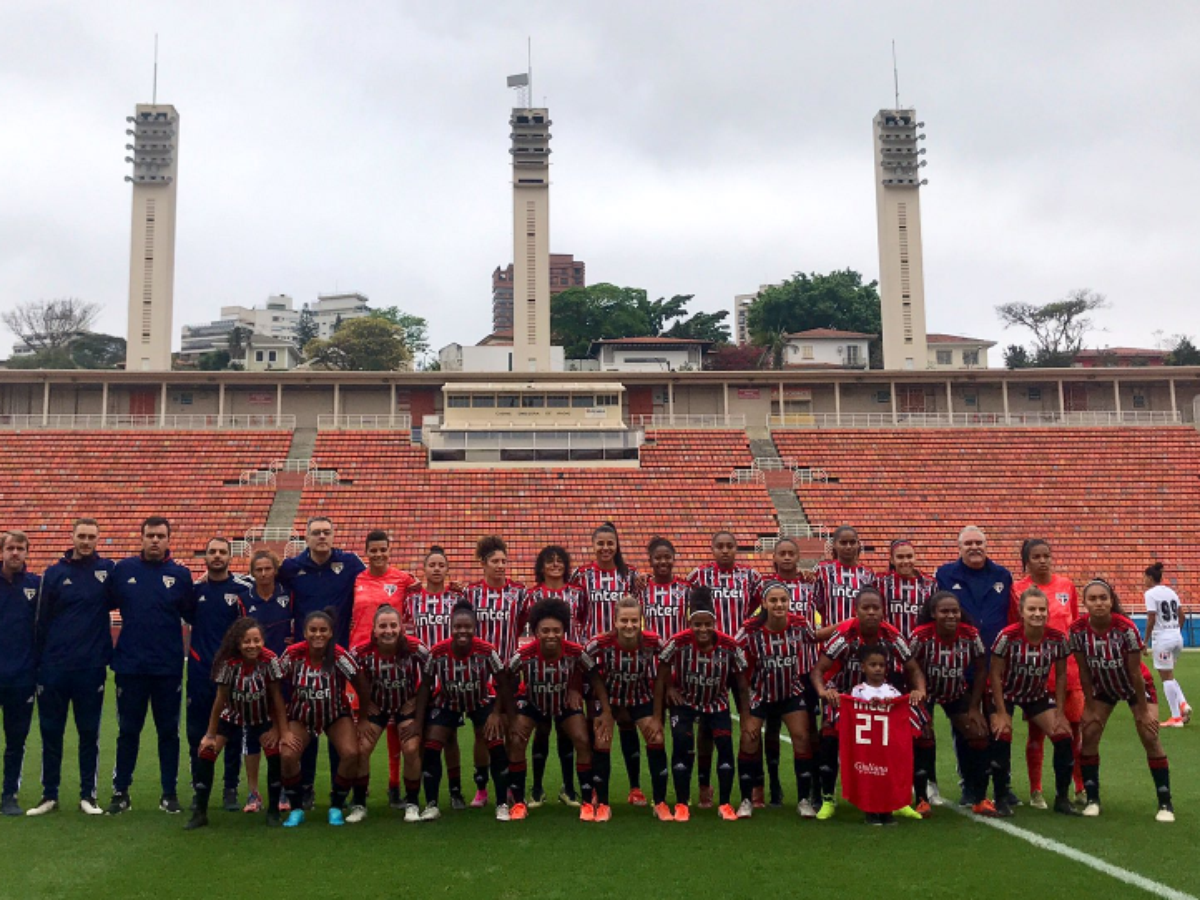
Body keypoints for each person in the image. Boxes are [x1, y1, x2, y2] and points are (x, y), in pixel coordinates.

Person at [810, 585, 926, 820]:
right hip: (845, 697)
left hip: (881, 697)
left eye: (876, 608)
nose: (871, 612)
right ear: (856, 611)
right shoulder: (844, 636)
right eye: (866, 608)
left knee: (919, 726)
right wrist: (824, 691)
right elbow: (818, 671)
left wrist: (919, 691)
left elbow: (914, 669)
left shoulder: (892, 636)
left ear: (883, 611)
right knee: (830, 733)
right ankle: (828, 798)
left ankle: (907, 797)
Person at [107, 516, 196, 815]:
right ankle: (121, 792)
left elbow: (193, 614)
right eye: (150, 535)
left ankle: (169, 793)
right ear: (142, 538)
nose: (155, 540)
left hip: (167, 667)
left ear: (169, 539)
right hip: (130, 666)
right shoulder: (124, 570)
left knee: (168, 732)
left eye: (160, 536)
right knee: (128, 731)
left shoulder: (180, 575)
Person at [277, 517, 365, 810]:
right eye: (316, 533)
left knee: (336, 718)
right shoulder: (292, 567)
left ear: (333, 535)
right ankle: (305, 789)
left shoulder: (349, 563)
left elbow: (374, 581)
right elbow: (269, 584)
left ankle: (340, 794)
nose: (322, 537)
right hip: (304, 656)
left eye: (327, 532)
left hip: (337, 655)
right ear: (306, 538)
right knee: (306, 719)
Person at [1070, 578, 1174, 822]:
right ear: (1085, 603)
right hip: (1103, 686)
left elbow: (1135, 673)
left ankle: (1165, 803)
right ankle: (1093, 799)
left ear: (1111, 601)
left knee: (1149, 734)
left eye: (1103, 598)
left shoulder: (1125, 628)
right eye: (1092, 599)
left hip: (1134, 685)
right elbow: (1084, 671)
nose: (1098, 603)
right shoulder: (1077, 630)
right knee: (1090, 733)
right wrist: (1090, 706)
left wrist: (1144, 712)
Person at [29, 519, 113, 817]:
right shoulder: (54, 573)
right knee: (51, 732)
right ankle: (49, 795)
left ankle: (88, 795)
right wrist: (41, 661)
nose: (86, 541)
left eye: (91, 536)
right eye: (82, 536)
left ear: (97, 539)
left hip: (91, 667)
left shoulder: (108, 571)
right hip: (54, 667)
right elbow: (40, 620)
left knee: (88, 733)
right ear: (72, 537)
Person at [504, 597, 613, 822]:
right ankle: (519, 802)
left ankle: (586, 801)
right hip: (533, 702)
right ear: (536, 632)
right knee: (516, 740)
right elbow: (506, 681)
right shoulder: (523, 654)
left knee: (582, 739)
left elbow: (595, 677)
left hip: (563, 702)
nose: (551, 635)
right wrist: (509, 716)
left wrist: (606, 710)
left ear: (564, 631)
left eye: (557, 630)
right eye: (545, 630)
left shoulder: (575, 652)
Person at [655, 587, 752, 822]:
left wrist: (746, 718)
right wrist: (669, 691)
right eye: (697, 624)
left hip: (716, 702)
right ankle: (682, 803)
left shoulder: (730, 645)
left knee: (725, 746)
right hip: (685, 701)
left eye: (707, 624)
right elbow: (662, 669)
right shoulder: (678, 642)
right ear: (690, 624)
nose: (702, 629)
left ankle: (725, 803)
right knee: (682, 743)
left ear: (714, 623)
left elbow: (741, 683)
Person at [186, 617, 293, 830]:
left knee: (274, 753)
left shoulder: (270, 660)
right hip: (232, 715)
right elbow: (220, 699)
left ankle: (273, 811)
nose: (252, 645)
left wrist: (280, 730)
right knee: (206, 752)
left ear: (263, 641)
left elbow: (276, 697)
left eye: (256, 640)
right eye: (247, 641)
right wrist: (210, 734)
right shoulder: (228, 663)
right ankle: (200, 813)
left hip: (261, 716)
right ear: (238, 643)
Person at [935, 525, 1013, 806]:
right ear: (959, 548)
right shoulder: (945, 575)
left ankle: (1003, 784)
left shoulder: (1002, 575)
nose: (974, 547)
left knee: (1000, 725)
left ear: (986, 545)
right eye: (968, 543)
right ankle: (969, 784)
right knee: (967, 727)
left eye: (978, 542)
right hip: (962, 664)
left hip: (997, 664)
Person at [416, 601, 511, 821]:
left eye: (467, 627)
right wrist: (418, 722)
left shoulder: (487, 650)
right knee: (431, 746)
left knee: (496, 743)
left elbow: (503, 682)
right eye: (457, 627)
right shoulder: (437, 652)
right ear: (451, 628)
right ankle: (432, 804)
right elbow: (426, 685)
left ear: (474, 628)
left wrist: (496, 713)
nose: (462, 631)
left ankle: (502, 804)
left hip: (480, 700)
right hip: (448, 701)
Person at [988, 587, 1079, 818]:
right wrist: (1001, 712)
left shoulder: (1057, 638)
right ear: (1021, 612)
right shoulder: (1007, 636)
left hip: (1036, 694)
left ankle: (1062, 798)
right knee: (1002, 733)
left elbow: (1061, 675)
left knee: (1063, 735)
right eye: (1032, 609)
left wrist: (1059, 712)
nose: (1037, 614)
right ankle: (1000, 797)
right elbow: (995, 674)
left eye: (1041, 609)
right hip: (1006, 693)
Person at [687, 531, 761, 808]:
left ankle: (755, 785)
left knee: (751, 719)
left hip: (739, 655)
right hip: (709, 657)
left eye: (730, 546)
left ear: (736, 548)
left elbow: (761, 603)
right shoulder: (699, 575)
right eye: (720, 546)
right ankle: (704, 785)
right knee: (707, 725)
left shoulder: (750, 576)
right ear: (712, 548)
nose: (725, 550)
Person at [278, 609, 370, 827]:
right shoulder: (292, 654)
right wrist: (281, 728)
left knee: (351, 753)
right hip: (301, 716)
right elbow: (274, 686)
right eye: (313, 630)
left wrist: (363, 719)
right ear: (304, 633)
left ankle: (336, 804)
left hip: (335, 715)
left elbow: (361, 684)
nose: (318, 634)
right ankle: (297, 807)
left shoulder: (339, 656)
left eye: (323, 630)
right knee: (288, 755)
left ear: (330, 633)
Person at [735, 581, 819, 819]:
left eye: (783, 600)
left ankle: (803, 800)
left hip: (790, 693)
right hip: (760, 695)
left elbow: (815, 637)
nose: (779, 604)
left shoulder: (799, 624)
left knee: (802, 738)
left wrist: (848, 624)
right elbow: (731, 647)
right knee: (749, 740)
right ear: (764, 603)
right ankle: (746, 800)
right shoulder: (751, 629)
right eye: (773, 600)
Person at [1011, 539, 1083, 807]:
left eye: (1046, 556)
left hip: (1069, 672)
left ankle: (1079, 787)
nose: (1043, 561)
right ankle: (1036, 790)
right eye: (1036, 557)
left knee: (1074, 731)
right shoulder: (1018, 589)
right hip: (1037, 673)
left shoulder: (1066, 586)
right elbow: (1015, 628)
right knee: (1037, 734)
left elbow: (1073, 624)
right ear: (1026, 562)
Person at [350, 530, 418, 811]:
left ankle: (394, 786)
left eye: (383, 549)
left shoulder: (403, 579)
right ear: (366, 552)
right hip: (362, 664)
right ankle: (355, 790)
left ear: (390, 551)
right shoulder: (356, 579)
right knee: (360, 730)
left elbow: (426, 592)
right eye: (373, 550)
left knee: (395, 730)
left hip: (393, 660)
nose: (378, 554)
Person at [586, 596, 669, 820]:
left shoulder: (653, 642)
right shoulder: (600, 643)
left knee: (656, 737)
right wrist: (604, 711)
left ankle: (660, 802)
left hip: (639, 696)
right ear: (615, 621)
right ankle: (603, 803)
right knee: (602, 739)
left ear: (641, 620)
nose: (629, 625)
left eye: (634, 620)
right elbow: (587, 669)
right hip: (610, 699)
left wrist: (657, 716)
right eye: (624, 620)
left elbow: (666, 666)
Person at [907, 591, 989, 817]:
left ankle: (979, 797)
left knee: (979, 733)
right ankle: (922, 798)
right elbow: (908, 664)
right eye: (944, 611)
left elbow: (981, 668)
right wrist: (916, 692)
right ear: (934, 613)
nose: (951, 615)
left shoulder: (971, 634)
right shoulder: (921, 636)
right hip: (926, 693)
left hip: (955, 691)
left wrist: (974, 707)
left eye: (955, 611)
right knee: (923, 736)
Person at [184, 537, 250, 813]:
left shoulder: (241, 590)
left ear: (230, 557)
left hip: (232, 672)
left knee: (231, 731)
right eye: (213, 552)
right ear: (206, 557)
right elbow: (188, 618)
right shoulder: (195, 591)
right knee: (196, 732)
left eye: (223, 552)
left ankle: (230, 788)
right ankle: (199, 786)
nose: (218, 556)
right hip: (200, 670)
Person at [348, 605, 429, 823]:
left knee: (411, 748)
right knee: (361, 749)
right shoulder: (361, 652)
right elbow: (346, 673)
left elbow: (431, 674)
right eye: (382, 626)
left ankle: (412, 803)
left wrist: (416, 704)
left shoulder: (415, 648)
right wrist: (365, 706)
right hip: (377, 706)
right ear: (374, 630)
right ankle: (359, 804)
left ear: (401, 628)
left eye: (393, 625)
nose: (388, 630)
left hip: (405, 706)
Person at [463, 535, 526, 808]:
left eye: (504, 561)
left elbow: (523, 623)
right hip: (480, 674)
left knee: (510, 730)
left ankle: (510, 786)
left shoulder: (518, 592)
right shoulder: (471, 593)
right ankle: (481, 788)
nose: (500, 566)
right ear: (483, 564)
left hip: (509, 674)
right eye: (495, 561)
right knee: (482, 733)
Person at [525, 545, 588, 807]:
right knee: (541, 729)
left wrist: (576, 685)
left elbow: (582, 622)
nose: (555, 564)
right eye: (549, 561)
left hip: (569, 669)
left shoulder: (578, 593)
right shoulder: (531, 595)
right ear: (541, 566)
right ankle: (537, 789)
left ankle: (569, 788)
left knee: (566, 731)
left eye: (559, 560)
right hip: (539, 673)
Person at [406, 546, 467, 810]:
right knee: (420, 737)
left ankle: (455, 791)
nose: (436, 569)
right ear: (424, 569)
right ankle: (419, 793)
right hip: (421, 678)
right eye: (432, 565)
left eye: (441, 565)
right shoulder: (412, 600)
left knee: (449, 737)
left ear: (447, 569)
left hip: (449, 678)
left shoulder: (456, 599)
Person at [759, 537, 818, 807]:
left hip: (804, 668)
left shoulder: (811, 583)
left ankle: (813, 787)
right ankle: (774, 785)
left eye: (790, 553)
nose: (786, 557)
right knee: (771, 728)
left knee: (808, 730)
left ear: (798, 556)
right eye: (781, 553)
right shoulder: (763, 584)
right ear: (774, 557)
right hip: (773, 669)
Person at [241, 548, 293, 813]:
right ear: (252, 573)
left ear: (275, 570)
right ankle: (253, 793)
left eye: (267, 568)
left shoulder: (288, 595)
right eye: (258, 570)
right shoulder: (244, 599)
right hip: (253, 675)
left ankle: (282, 788)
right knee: (253, 734)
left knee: (282, 729)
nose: (263, 574)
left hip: (283, 674)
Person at [848, 645, 912, 826]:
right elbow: (854, 709)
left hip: (887, 743)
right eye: (873, 665)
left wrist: (891, 703)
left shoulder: (892, 691)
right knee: (870, 776)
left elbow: (901, 711)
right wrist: (870, 704)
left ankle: (887, 811)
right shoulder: (858, 690)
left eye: (881, 665)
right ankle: (870, 811)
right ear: (863, 667)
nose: (877, 669)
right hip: (868, 743)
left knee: (887, 776)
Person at [0, 531, 39, 817]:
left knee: (16, 741)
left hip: (22, 678)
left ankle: (9, 795)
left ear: (27, 553)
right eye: (10, 548)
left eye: (20, 548)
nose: (15, 553)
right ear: (2, 551)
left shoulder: (36, 586)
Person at [1143, 562, 1191, 727]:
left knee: (1165, 678)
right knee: (1169, 674)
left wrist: (1145, 641)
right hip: (1177, 638)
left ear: (1150, 578)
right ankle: (1183, 704)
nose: (1144, 581)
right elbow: (1182, 616)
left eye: (1144, 578)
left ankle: (1176, 718)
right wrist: (1175, 632)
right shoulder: (1171, 592)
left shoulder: (1150, 594)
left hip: (1163, 639)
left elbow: (1151, 617)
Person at [811, 526, 876, 638]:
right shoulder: (822, 571)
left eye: (852, 542)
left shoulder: (868, 574)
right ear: (834, 545)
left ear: (858, 544)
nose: (848, 546)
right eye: (843, 543)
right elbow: (812, 604)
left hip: (860, 640)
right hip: (830, 639)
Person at [640, 536, 690, 643]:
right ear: (650, 561)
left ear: (674, 559)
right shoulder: (642, 590)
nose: (663, 561)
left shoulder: (686, 589)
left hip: (679, 650)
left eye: (667, 557)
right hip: (651, 651)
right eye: (658, 558)